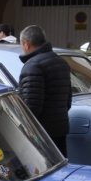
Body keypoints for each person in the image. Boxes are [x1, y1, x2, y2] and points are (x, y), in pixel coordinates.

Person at [17, 24, 71, 156]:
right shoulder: (61, 62)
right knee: (60, 169)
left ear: (26, 44)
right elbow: (68, 101)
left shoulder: (32, 66)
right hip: (60, 128)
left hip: (41, 133)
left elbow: (31, 107)